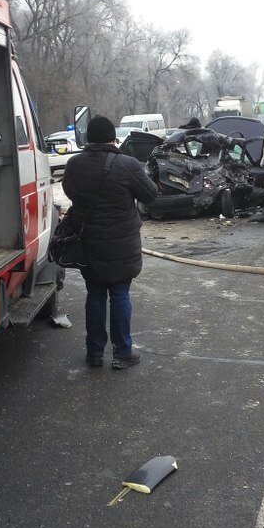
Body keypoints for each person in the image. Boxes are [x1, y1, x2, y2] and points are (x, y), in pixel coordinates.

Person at [62, 116, 159, 370]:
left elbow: (70, 192)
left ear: (89, 139)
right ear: (113, 139)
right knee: (119, 293)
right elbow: (151, 195)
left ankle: (94, 353)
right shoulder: (127, 164)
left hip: (89, 242)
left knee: (95, 294)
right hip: (122, 244)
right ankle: (122, 353)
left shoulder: (74, 164)